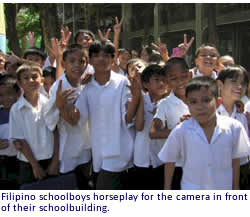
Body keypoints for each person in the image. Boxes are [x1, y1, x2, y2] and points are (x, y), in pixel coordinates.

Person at [57, 40, 139, 190]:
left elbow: (128, 118)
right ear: (90, 60)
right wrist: (61, 106)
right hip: (98, 154)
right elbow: (75, 119)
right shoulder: (87, 86)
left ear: (113, 59)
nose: (101, 59)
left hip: (119, 152)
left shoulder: (122, 82)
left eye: (106, 55)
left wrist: (136, 97)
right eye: (96, 55)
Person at [159, 76, 249, 190]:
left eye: (206, 100)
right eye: (193, 102)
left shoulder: (234, 127)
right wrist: (167, 190)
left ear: (218, 101)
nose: (200, 107)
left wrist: (236, 190)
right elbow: (169, 160)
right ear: (187, 103)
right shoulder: (181, 131)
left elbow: (235, 161)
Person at [44, 44, 91, 189]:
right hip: (66, 150)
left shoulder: (86, 84)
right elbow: (53, 123)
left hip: (85, 148)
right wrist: (60, 106)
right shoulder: (59, 88)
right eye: (72, 61)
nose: (77, 65)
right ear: (63, 64)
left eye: (81, 61)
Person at [9, 63, 59, 185]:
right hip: (28, 163)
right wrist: (35, 166)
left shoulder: (49, 104)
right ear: (20, 83)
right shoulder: (16, 109)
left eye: (34, 77)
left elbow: (57, 133)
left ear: (41, 80)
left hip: (50, 161)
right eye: (26, 78)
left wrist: (55, 162)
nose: (31, 81)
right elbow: (21, 140)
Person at [150, 57, 191, 189]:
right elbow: (153, 132)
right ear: (166, 81)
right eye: (173, 78)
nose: (180, 82)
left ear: (190, 75)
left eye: (184, 76)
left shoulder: (201, 98)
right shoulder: (165, 104)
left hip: (200, 162)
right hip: (177, 165)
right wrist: (180, 129)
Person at [133, 64, 167, 189]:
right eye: (157, 80)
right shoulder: (141, 99)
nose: (162, 83)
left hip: (161, 160)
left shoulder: (168, 102)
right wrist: (141, 100)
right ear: (146, 84)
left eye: (164, 80)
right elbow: (139, 126)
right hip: (141, 158)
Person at [217, 65, 250, 189]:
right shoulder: (210, 113)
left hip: (241, 171)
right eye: (234, 81)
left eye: (243, 83)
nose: (239, 87)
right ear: (220, 84)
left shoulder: (241, 115)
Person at [0, 75, 19, 188]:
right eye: (1, 95)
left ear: (18, 93)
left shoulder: (22, 113)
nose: (5, 98)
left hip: (18, 161)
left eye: (9, 93)